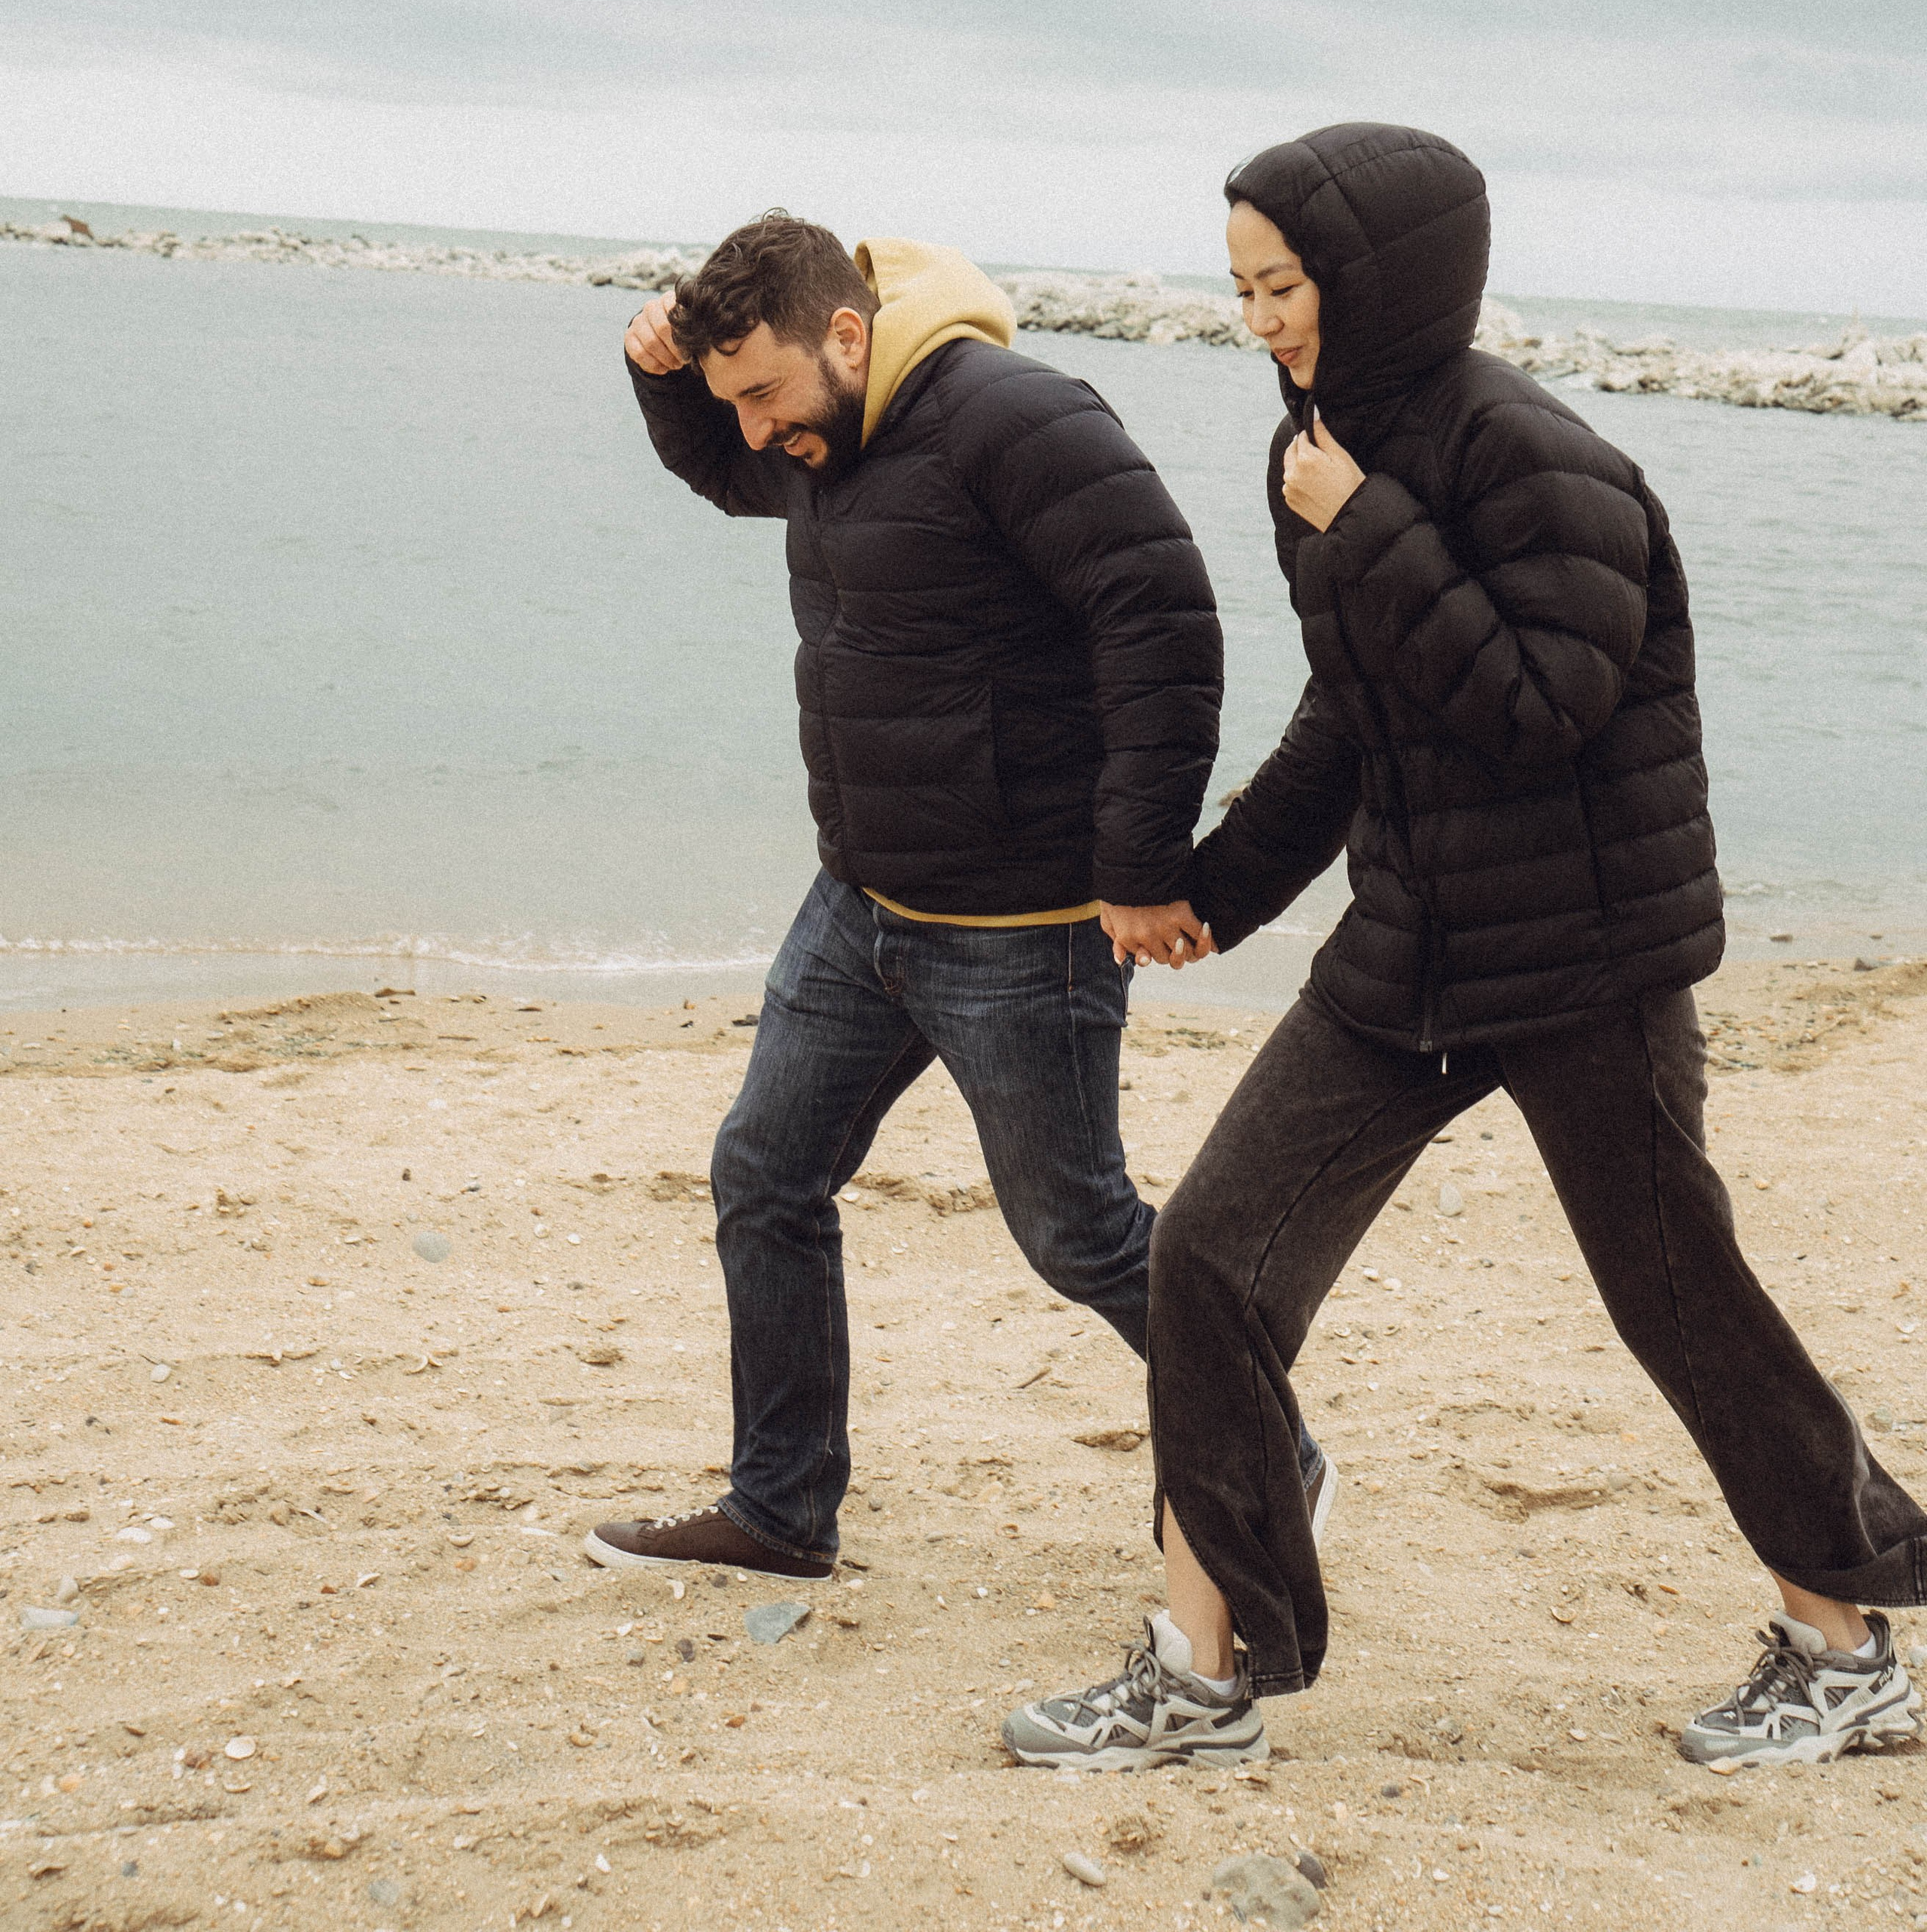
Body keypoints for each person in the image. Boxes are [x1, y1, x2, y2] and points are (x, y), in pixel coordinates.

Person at [1006, 120, 1925, 1772]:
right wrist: (1212, 890)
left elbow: (1535, 708)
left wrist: (1364, 526)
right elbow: (1353, 721)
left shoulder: (1532, 458)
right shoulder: (1319, 448)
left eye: (1279, 283)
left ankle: (1844, 1649)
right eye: (1238, 289)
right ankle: (1205, 1676)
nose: (1259, 320)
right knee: (1205, 1261)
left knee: (1675, 1300)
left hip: (1582, 961)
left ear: (1375, 275)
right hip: (1411, 953)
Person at [585, 209, 1329, 1584]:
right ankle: (781, 1508)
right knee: (766, 1174)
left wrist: (1139, 868)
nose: (750, 428)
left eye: (762, 393)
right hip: (862, 905)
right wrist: (664, 386)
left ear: (848, 336)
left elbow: (1160, 615)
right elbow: (737, 475)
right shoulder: (820, 436)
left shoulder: (1013, 417)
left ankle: (1277, 1461)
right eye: (729, 396)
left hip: (1020, 930)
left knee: (1080, 1233)